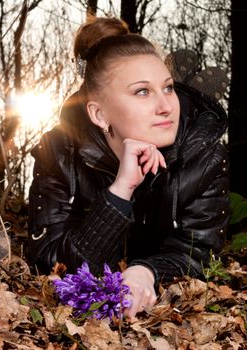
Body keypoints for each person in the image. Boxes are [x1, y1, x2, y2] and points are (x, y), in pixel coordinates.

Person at [26, 17, 230, 318]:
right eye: (142, 92)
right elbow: (49, 260)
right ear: (99, 113)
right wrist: (120, 192)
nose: (166, 106)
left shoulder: (203, 153)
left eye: (169, 88)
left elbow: (199, 250)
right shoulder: (59, 151)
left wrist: (146, 272)